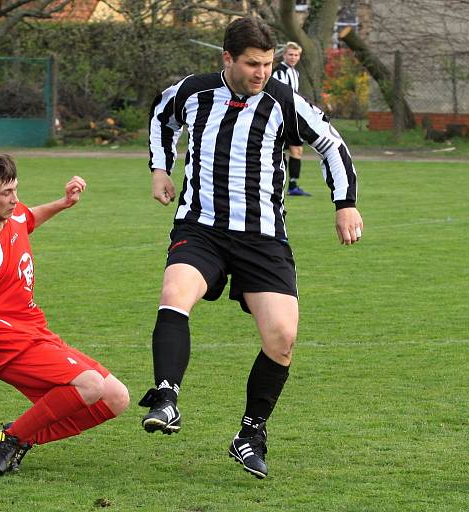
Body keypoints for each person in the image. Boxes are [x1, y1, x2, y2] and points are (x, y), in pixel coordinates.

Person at [141, 17, 363, 479]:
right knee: (174, 294)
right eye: (252, 64)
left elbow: (331, 143)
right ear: (227, 58)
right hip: (201, 227)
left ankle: (250, 434)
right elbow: (162, 115)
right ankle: (166, 396)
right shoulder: (194, 92)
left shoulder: (283, 101)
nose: (262, 72)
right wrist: (160, 168)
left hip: (262, 237)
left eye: (267, 63)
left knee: (282, 338)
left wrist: (345, 204)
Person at [0, 153, 130, 475]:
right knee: (90, 386)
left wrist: (64, 202)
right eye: (6, 193)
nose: (15, 199)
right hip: (3, 341)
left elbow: (28, 219)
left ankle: (16, 438)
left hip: (31, 330)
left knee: (116, 397)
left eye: (15, 189)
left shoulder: (11, 218)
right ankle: (13, 436)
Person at [272, 41, 309, 196]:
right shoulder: (279, 72)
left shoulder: (295, 72)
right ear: (284, 55)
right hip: (281, 117)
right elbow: (277, 95)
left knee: (297, 150)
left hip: (292, 117)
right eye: (290, 54)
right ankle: (278, 185)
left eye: (296, 55)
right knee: (281, 151)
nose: (293, 57)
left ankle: (292, 185)